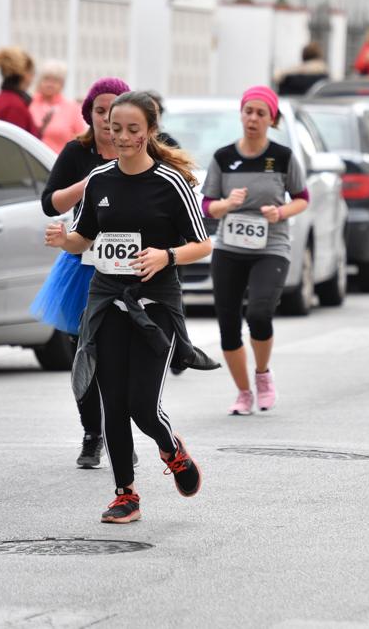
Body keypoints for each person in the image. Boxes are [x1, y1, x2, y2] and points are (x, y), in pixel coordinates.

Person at [43, 91, 217, 524]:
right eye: (115, 128)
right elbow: (84, 238)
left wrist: (166, 256)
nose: (121, 137)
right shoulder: (100, 179)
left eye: (132, 130)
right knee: (113, 404)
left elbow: (203, 243)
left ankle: (172, 449)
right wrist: (64, 240)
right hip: (106, 300)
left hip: (154, 303)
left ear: (150, 132)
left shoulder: (171, 182)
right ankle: (126, 495)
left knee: (142, 405)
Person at [32, 77, 131, 469]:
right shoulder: (78, 151)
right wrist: (87, 184)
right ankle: (93, 434)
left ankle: (121, 431)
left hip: (127, 264)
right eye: (100, 110)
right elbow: (49, 203)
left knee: (121, 353)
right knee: (83, 352)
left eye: (114, 110)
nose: (107, 119)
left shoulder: (139, 148)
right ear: (88, 113)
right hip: (82, 260)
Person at [201, 86, 309, 415]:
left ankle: (262, 375)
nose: (253, 118)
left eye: (261, 113)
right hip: (230, 248)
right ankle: (243, 392)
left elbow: (302, 197)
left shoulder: (282, 157)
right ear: (241, 114)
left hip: (271, 246)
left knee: (260, 313)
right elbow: (207, 205)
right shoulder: (223, 157)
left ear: (271, 119)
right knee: (228, 323)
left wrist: (280, 213)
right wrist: (226, 204)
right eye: (248, 111)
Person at [30, 60, 87, 154]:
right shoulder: (29, 104)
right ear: (39, 81)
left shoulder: (72, 108)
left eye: (55, 80)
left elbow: (82, 138)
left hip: (59, 162)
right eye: (46, 79)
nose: (50, 84)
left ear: (62, 84)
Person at [0, 46, 38, 137]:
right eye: (32, 72)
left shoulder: (3, 98)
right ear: (25, 74)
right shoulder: (14, 105)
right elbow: (17, 144)